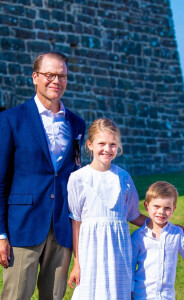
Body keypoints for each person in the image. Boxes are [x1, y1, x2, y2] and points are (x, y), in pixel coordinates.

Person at [0, 52, 86, 300]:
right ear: (35, 77)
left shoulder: (77, 124)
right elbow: (1, 181)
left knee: (54, 297)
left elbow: (77, 175)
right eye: (49, 75)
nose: (56, 80)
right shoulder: (10, 119)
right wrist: (1, 234)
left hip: (61, 227)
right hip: (23, 226)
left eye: (62, 76)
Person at [67, 118, 147, 299]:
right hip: (91, 251)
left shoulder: (124, 178)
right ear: (90, 144)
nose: (107, 149)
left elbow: (134, 215)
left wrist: (166, 225)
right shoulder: (78, 178)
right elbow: (76, 223)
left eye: (113, 144)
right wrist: (77, 264)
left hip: (118, 250)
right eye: (101, 143)